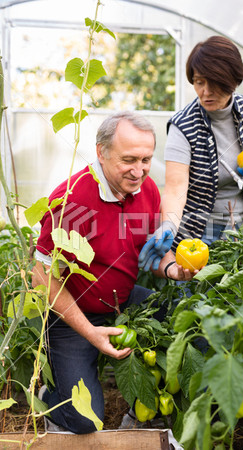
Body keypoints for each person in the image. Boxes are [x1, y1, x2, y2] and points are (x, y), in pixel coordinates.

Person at [32, 111, 197, 434]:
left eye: (147, 159)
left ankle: (143, 412)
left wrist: (174, 269)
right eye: (129, 160)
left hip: (122, 300)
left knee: (190, 319)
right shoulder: (72, 201)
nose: (139, 171)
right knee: (84, 421)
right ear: (101, 152)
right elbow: (42, 277)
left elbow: (149, 253)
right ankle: (51, 396)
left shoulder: (145, 190)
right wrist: (89, 332)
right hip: (74, 312)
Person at [138, 35, 243, 268]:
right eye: (199, 82)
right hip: (198, 234)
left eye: (215, 83)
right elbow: (176, 187)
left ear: (233, 81)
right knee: (195, 300)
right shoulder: (183, 125)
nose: (206, 92)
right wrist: (169, 225)